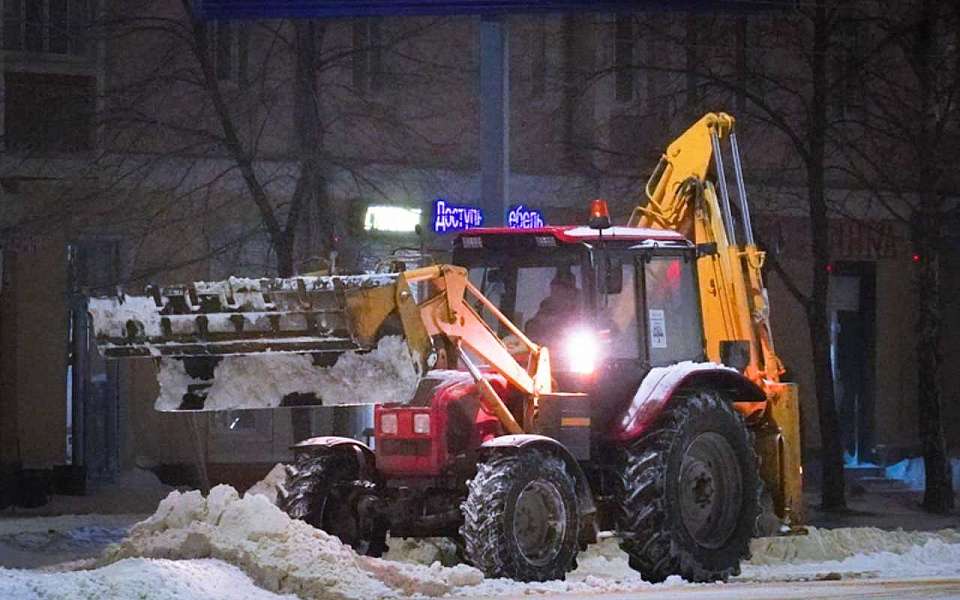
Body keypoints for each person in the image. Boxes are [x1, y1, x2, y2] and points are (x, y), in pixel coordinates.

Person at [524, 266, 580, 345]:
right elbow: (534, 325)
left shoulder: (584, 305)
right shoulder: (546, 306)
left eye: (560, 288)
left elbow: (584, 327)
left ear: (570, 290)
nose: (556, 292)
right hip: (549, 348)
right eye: (554, 289)